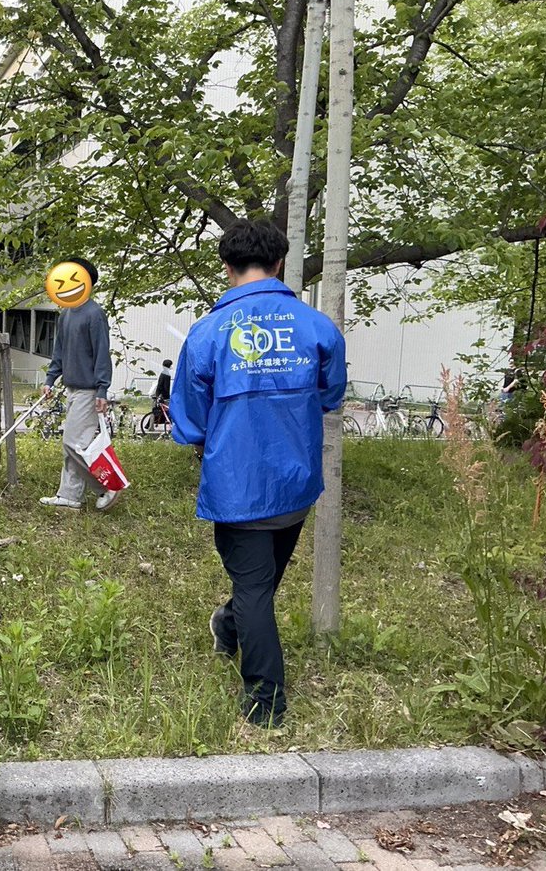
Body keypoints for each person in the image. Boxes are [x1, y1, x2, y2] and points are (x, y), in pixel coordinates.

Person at [169, 218, 346, 727]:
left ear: (227, 267)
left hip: (237, 482)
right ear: (279, 263)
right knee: (261, 583)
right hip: (295, 480)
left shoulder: (207, 333)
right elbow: (330, 395)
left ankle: (266, 700)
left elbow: (189, 419)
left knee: (252, 587)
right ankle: (229, 627)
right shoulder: (315, 327)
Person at [38, 257, 119, 512]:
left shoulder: (95, 314)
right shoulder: (66, 314)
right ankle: (69, 496)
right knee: (74, 444)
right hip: (71, 388)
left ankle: (107, 486)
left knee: (73, 444)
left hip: (89, 390)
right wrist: (50, 380)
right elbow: (58, 352)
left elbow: (102, 354)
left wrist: (102, 389)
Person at [150, 358, 173, 425]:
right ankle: (169, 425)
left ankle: (151, 425)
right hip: (163, 396)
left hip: (159, 394)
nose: (172, 366)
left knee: (157, 411)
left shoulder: (163, 373)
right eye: (171, 365)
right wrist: (167, 396)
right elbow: (166, 387)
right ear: (168, 366)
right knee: (168, 410)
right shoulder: (167, 375)